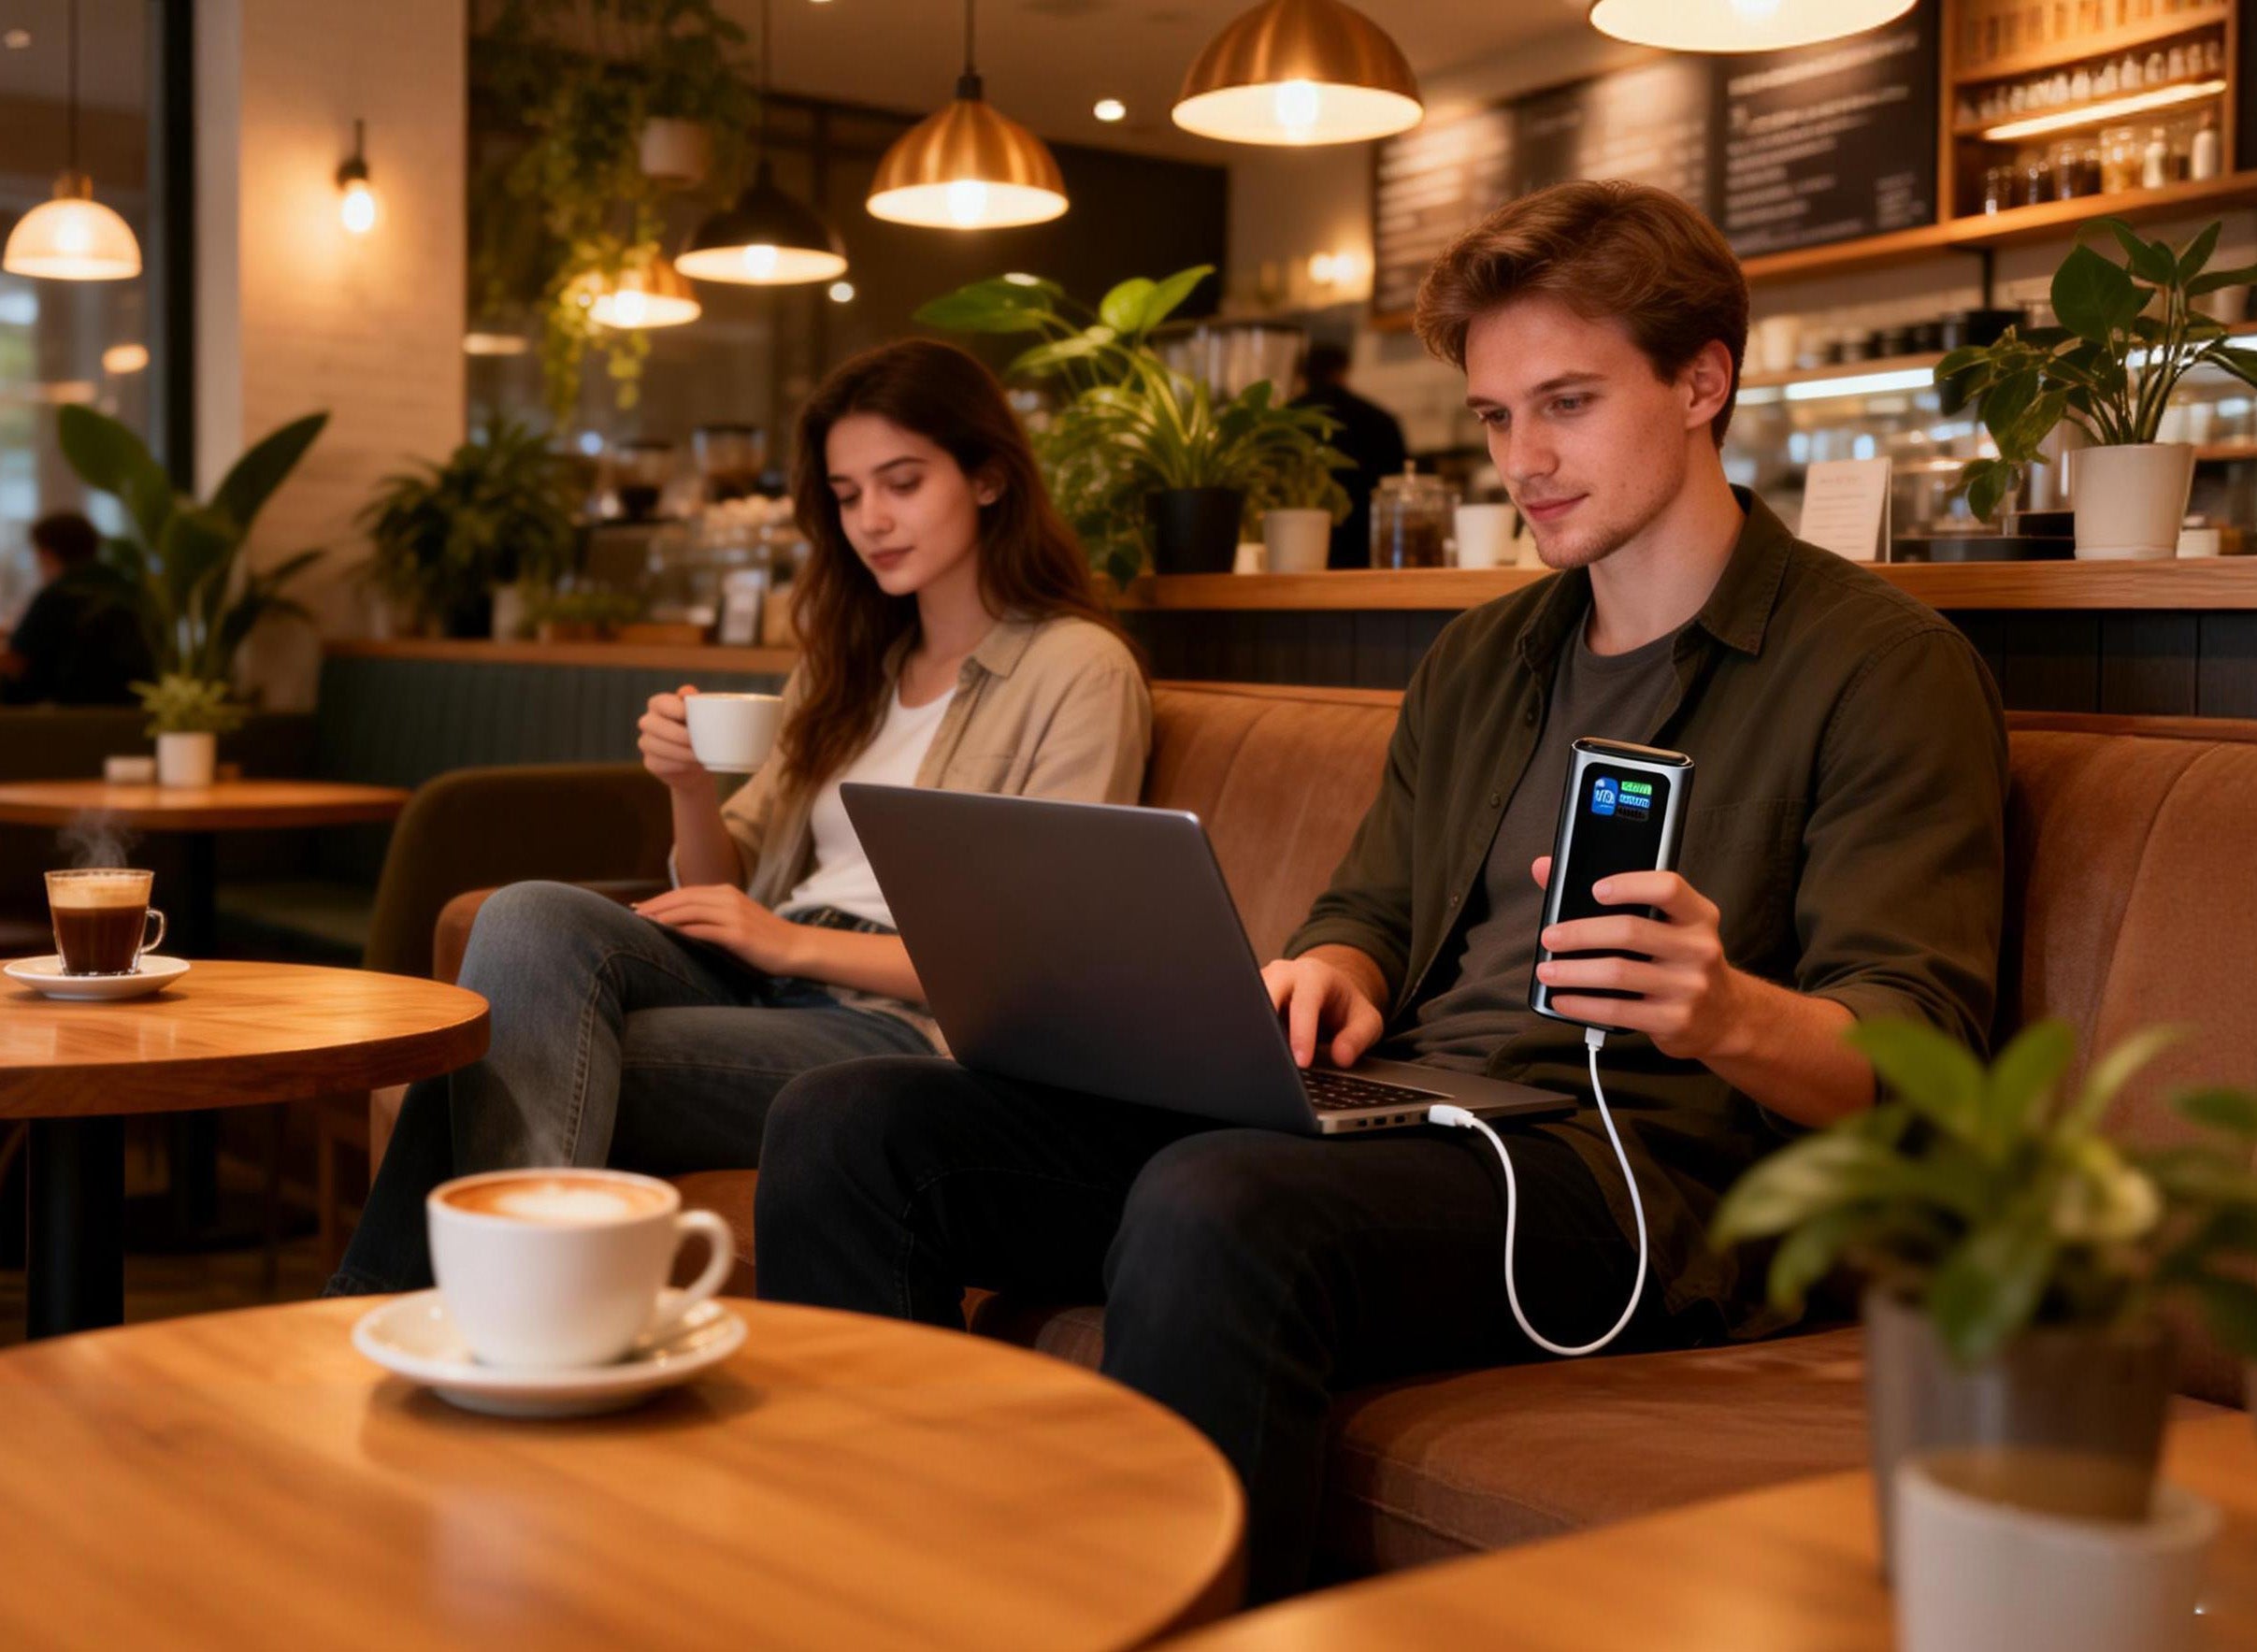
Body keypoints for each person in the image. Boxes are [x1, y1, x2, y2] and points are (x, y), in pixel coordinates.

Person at [752, 181, 2007, 1599]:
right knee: (853, 1124)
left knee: (1217, 1199)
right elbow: (1372, 912)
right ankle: (867, 1591)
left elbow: (1926, 1068)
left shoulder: (1879, 667)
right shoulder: (1484, 656)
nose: (1523, 460)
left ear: (1701, 381)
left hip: (1632, 1186)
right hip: (1411, 1115)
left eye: (1567, 404)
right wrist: (1329, 973)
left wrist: (1724, 1013)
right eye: (1495, 417)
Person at [327, 338, 1153, 1295]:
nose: (872, 520)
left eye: (902, 482)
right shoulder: (847, 667)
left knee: (506, 1050)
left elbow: (1033, 966)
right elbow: (727, 884)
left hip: (893, 1027)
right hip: (762, 977)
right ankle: (499, 1320)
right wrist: (686, 784)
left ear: (989, 477)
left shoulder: (1077, 670)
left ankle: (450, 1319)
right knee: (525, 914)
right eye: (846, 495)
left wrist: (790, 942)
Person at [0, 511, 154, 706]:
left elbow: (17, 662)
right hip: (134, 704)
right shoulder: (125, 587)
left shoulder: (58, 595)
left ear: (47, 553)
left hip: (71, 710)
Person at [1290, 340, 1406, 568]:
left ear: (1302, 374)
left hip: (1297, 550)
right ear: (1342, 371)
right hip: (1365, 547)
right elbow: (1397, 486)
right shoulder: (1378, 419)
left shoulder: (1285, 419)